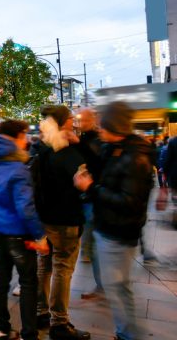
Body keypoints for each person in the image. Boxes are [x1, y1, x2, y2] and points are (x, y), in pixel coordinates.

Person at [74, 101, 154, 340]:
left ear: (115, 127)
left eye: (102, 125)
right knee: (119, 286)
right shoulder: (116, 148)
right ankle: (126, 332)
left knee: (116, 287)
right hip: (110, 226)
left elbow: (129, 200)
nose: (98, 129)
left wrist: (91, 188)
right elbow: (100, 166)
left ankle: (128, 334)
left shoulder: (134, 157)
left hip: (119, 231)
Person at [0, 120, 49, 340]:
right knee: (29, 282)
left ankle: (1, 329)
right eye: (24, 135)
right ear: (16, 137)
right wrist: (40, 236)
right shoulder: (19, 169)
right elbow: (26, 209)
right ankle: (29, 333)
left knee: (1, 280)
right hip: (19, 234)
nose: (27, 140)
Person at [32, 106, 90, 340]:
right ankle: (59, 323)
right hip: (66, 219)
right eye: (71, 119)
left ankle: (40, 312)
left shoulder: (42, 150)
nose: (74, 122)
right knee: (62, 269)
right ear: (64, 123)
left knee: (44, 267)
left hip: (45, 219)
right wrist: (80, 144)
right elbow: (88, 176)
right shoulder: (69, 154)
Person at [75, 107, 104, 300]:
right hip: (87, 197)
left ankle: (104, 285)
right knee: (93, 243)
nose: (80, 124)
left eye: (83, 120)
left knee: (96, 245)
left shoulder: (95, 141)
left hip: (94, 197)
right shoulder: (86, 139)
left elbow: (95, 161)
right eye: (78, 120)